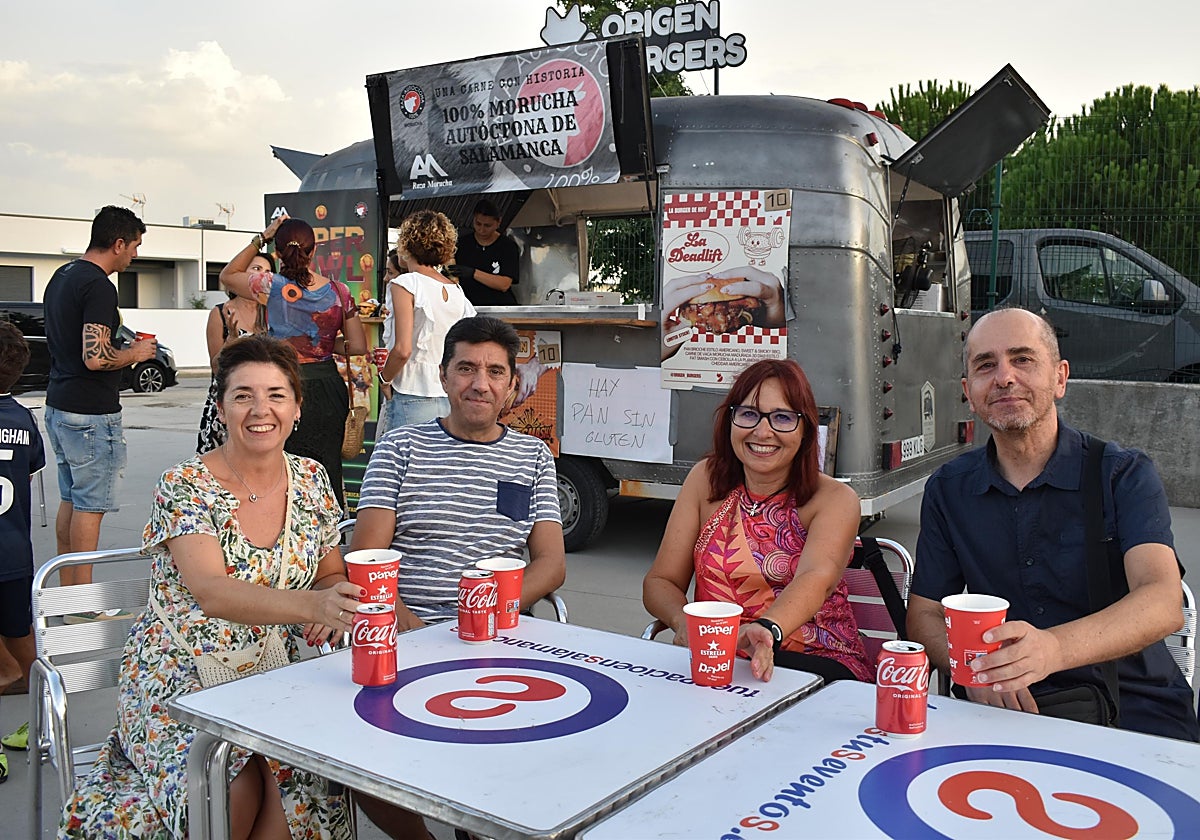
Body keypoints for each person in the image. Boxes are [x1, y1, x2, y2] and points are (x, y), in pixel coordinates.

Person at [60, 334, 363, 839]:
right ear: (220, 406)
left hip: (273, 674)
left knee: (297, 781)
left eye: (275, 395)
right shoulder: (184, 483)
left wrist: (325, 606)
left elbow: (330, 571)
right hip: (181, 675)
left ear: (297, 408)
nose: (259, 410)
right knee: (229, 784)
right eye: (243, 395)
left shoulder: (311, 479)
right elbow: (212, 592)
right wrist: (310, 603)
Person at [907, 307, 1199, 741]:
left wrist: (1053, 649)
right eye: (986, 365)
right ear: (969, 391)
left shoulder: (1122, 474)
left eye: (1023, 359)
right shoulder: (949, 489)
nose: (1004, 376)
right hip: (1000, 710)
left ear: (1060, 378)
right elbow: (925, 614)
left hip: (1132, 711)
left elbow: (1161, 601)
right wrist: (975, 671)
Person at [350, 315, 566, 839]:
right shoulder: (400, 448)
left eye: (495, 371)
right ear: (444, 376)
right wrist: (417, 629)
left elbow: (551, 565)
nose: (480, 383)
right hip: (405, 635)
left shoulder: (532, 455)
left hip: (500, 637)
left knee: (540, 752)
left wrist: (484, 620)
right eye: (466, 368)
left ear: (512, 384)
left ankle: (482, 823)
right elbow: (366, 558)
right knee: (359, 760)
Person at [643, 358, 872, 684]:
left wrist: (767, 629)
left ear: (805, 429)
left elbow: (816, 578)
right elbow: (660, 582)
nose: (763, 431)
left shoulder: (833, 499)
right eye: (749, 414)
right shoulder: (704, 481)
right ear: (730, 421)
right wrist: (683, 623)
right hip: (718, 661)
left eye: (782, 418)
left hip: (815, 664)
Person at [42, 205, 157, 598]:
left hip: (59, 403)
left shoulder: (62, 276)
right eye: (134, 246)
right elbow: (95, 356)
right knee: (89, 507)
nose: (135, 255)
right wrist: (137, 354)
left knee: (71, 501)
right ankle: (83, 602)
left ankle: (64, 593)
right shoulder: (99, 286)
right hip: (90, 412)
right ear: (118, 242)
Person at [221, 216, 368, 508]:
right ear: (313, 252)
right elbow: (358, 345)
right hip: (327, 387)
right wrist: (322, 343)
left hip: (284, 385)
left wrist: (262, 237)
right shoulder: (340, 292)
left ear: (277, 253)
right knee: (327, 468)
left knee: (282, 467)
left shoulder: (269, 285)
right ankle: (330, 537)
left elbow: (228, 275)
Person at [376, 210, 476, 436]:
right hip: (447, 393)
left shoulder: (406, 283)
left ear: (407, 244)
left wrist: (384, 379)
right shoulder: (456, 290)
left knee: (402, 466)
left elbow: (402, 350)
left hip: (411, 391)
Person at [0, 322, 47, 779]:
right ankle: (44, 724)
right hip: (15, 555)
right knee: (28, 651)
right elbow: (31, 468)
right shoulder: (21, 419)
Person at [196, 252, 271, 454]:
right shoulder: (220, 313)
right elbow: (216, 367)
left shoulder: (273, 313)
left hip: (264, 406)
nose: (262, 277)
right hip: (229, 405)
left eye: (267, 272)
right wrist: (231, 341)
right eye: (256, 269)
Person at [449, 199, 520, 306]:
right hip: (469, 306)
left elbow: (504, 284)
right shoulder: (462, 244)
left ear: (498, 222)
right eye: (478, 224)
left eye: (487, 225)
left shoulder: (508, 246)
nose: (481, 230)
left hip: (499, 306)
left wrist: (473, 273)